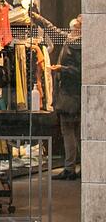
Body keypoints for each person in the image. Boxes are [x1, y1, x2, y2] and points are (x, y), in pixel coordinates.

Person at [32, 12, 82, 180]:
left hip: (70, 95)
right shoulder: (72, 40)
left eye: (75, 28)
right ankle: (76, 167)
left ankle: (70, 169)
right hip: (70, 94)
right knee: (74, 132)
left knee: (69, 130)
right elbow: (53, 30)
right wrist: (38, 18)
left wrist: (62, 68)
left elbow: (81, 72)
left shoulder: (78, 44)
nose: (72, 30)